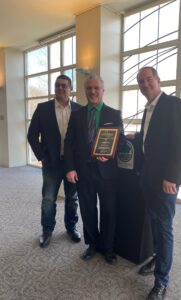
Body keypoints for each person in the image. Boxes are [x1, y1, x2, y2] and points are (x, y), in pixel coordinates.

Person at [127, 67, 181, 300]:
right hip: (149, 178)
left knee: (164, 228)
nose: (145, 84)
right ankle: (156, 257)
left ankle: (161, 281)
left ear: (158, 80)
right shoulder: (148, 109)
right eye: (141, 82)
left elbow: (180, 143)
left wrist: (170, 178)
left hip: (166, 181)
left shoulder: (173, 104)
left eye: (148, 80)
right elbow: (151, 137)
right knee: (154, 223)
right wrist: (135, 136)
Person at [64, 73, 124, 265]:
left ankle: (107, 247)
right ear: (85, 91)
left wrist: (111, 152)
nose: (92, 91)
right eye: (89, 88)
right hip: (83, 171)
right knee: (88, 209)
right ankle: (92, 244)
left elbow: (120, 141)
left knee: (108, 210)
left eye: (96, 88)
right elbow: (69, 143)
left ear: (103, 91)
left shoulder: (114, 114)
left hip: (107, 171)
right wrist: (70, 168)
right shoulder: (76, 115)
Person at [27, 74, 82, 248]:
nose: (60, 88)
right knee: (49, 199)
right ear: (54, 88)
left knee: (72, 198)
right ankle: (47, 231)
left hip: (73, 164)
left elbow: (83, 137)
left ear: (70, 89)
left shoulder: (79, 110)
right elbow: (32, 134)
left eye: (64, 86)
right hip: (51, 163)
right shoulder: (42, 108)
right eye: (57, 85)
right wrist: (41, 156)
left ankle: (71, 228)